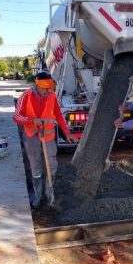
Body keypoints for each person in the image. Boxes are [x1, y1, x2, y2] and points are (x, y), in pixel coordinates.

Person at [13, 71, 78, 209]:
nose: (47, 91)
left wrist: (67, 132)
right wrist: (32, 120)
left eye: (49, 88)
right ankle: (37, 196)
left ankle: (50, 196)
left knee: (52, 166)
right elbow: (17, 117)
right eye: (44, 88)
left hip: (48, 137)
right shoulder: (26, 96)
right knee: (36, 167)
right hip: (31, 137)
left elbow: (59, 115)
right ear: (37, 85)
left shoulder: (51, 95)